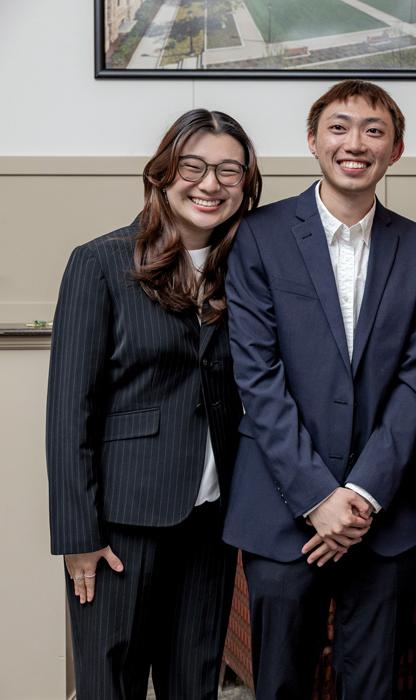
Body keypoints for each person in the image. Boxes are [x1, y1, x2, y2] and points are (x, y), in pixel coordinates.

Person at [221, 80, 416, 698]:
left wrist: (363, 493)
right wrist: (319, 496)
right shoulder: (259, 236)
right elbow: (257, 379)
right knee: (281, 683)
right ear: (313, 141)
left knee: (373, 685)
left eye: (374, 130)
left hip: (381, 515)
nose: (355, 143)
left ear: (395, 150)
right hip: (282, 510)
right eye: (339, 127)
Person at [46, 109, 262, 699]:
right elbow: (69, 410)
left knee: (194, 681)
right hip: (120, 524)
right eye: (193, 166)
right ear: (163, 175)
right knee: (108, 682)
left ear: (246, 187)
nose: (210, 184)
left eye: (229, 171)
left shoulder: (246, 269)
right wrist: (77, 535)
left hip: (211, 522)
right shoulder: (101, 263)